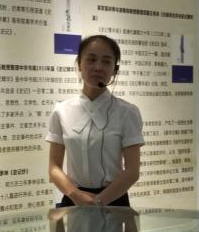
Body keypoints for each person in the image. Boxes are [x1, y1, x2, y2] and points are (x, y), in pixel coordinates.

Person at [47, 34, 144, 207]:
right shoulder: (61, 111)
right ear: (79, 64)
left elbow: (132, 172)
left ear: (114, 69)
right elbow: (54, 167)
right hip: (74, 199)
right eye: (91, 60)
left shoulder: (127, 112)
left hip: (114, 199)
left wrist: (98, 201)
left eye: (106, 62)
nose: (98, 67)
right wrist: (75, 195)